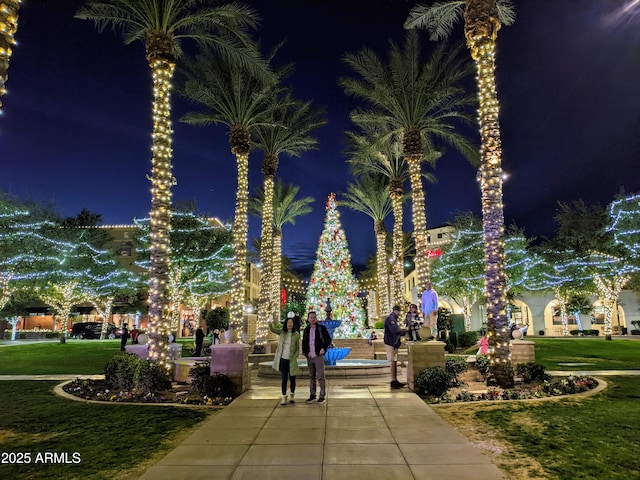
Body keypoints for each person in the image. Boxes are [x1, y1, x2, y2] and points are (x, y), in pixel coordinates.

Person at [302, 311, 332, 404]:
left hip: (318, 355)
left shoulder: (321, 328)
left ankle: (322, 396)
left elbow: (328, 339)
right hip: (310, 356)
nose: (313, 319)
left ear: (316, 318)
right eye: (311, 317)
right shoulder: (306, 329)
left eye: (314, 317)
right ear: (308, 319)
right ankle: (312, 395)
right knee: (311, 376)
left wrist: (323, 348)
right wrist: (305, 352)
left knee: (320, 376)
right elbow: (304, 341)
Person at [270, 316, 301, 405]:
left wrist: (295, 356)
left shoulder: (296, 334)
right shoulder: (282, 333)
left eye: (291, 322)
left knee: (292, 379)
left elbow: (297, 348)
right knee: (284, 379)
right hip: (283, 359)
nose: (289, 324)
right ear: (286, 324)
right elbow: (273, 329)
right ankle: (284, 397)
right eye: (288, 323)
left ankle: (292, 396)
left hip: (291, 360)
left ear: (293, 324)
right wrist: (270, 322)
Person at [384, 306, 406, 389]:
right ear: (396, 311)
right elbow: (395, 330)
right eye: (399, 311)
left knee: (394, 361)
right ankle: (393, 380)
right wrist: (404, 331)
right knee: (393, 361)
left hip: (393, 343)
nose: (399, 313)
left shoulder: (393, 318)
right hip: (391, 343)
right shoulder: (391, 319)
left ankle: (395, 380)